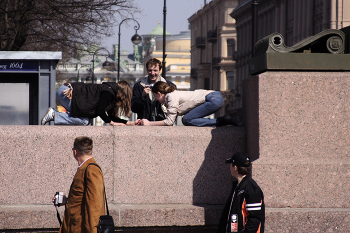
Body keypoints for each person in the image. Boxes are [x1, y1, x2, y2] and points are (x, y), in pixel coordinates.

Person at [54, 136, 105, 233]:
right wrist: (66, 200)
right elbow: (81, 198)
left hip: (81, 228)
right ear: (92, 150)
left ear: (75, 152)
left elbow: (95, 206)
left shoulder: (91, 170)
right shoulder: (85, 168)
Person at [139, 81, 239, 127]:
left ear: (159, 93)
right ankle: (222, 121)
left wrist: (149, 123)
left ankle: (221, 121)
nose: (155, 100)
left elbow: (169, 122)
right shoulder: (171, 96)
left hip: (213, 99)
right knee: (187, 119)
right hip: (215, 97)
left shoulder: (170, 96)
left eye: (155, 96)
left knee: (187, 119)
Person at [41, 80, 136, 126]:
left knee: (84, 120)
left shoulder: (111, 94)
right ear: (123, 94)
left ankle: (55, 115)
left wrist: (129, 123)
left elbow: (112, 116)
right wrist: (112, 123)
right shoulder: (108, 93)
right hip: (66, 93)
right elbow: (100, 111)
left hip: (68, 93)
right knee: (84, 121)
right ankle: (54, 115)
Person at [217, 152, 265, 233]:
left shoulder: (251, 189)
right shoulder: (238, 187)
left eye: (231, 165)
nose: (230, 168)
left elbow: (254, 219)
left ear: (235, 167)